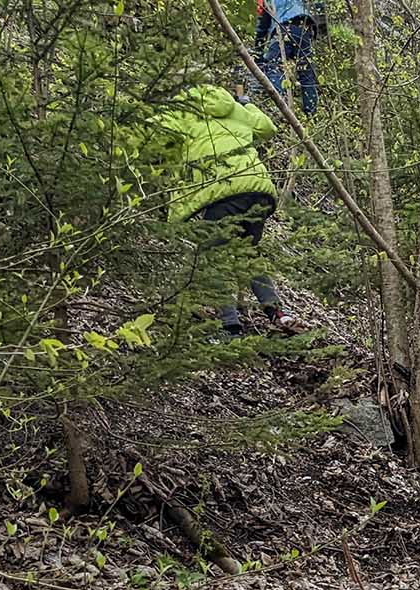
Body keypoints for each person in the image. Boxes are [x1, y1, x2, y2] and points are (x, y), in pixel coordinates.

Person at [156, 85, 294, 337]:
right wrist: (244, 103)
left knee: (211, 258)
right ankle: (277, 313)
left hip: (224, 192)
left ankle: (229, 325)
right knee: (247, 256)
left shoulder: (180, 112)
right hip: (258, 190)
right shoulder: (233, 108)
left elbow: (148, 139)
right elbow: (266, 127)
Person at [261, 0, 320, 117]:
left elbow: (262, 25)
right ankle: (311, 114)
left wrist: (258, 51)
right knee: (307, 74)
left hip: (284, 26)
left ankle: (279, 108)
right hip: (305, 27)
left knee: (273, 66)